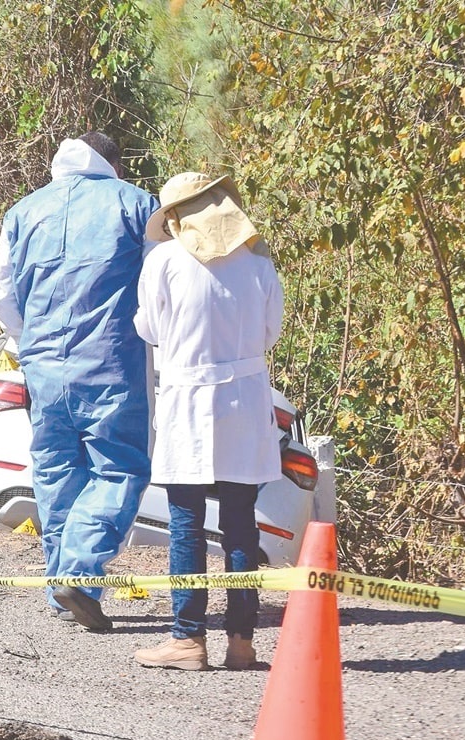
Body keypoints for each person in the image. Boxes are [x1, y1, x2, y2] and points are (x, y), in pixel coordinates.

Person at [0, 132, 160, 631]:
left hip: (41, 365)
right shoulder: (136, 204)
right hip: (111, 361)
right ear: (114, 163)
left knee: (56, 473)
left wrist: (29, 340)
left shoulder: (22, 212)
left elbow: (1, 294)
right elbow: (159, 283)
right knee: (119, 468)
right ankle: (80, 577)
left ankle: (63, 592)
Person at [132, 172, 284, 669]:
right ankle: (241, 642)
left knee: (186, 523)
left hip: (187, 401)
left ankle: (187, 640)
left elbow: (150, 329)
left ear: (180, 216)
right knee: (242, 525)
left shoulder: (165, 260)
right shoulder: (259, 263)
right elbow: (271, 332)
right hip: (245, 400)